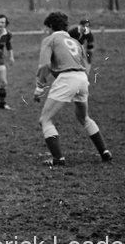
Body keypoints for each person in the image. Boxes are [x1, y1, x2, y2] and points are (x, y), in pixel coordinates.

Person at [34, 12, 112, 166]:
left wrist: (39, 87)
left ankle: (58, 158)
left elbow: (45, 65)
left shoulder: (50, 39)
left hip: (67, 79)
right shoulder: (75, 41)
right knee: (84, 117)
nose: (46, 31)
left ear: (50, 26)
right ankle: (104, 152)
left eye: (47, 28)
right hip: (82, 78)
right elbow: (79, 63)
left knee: (45, 119)